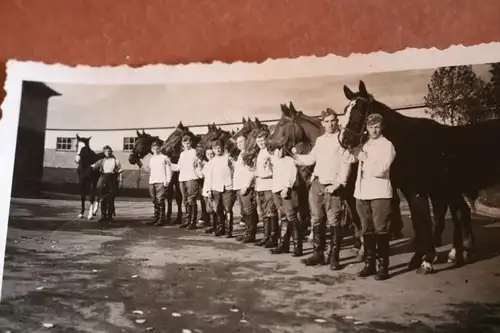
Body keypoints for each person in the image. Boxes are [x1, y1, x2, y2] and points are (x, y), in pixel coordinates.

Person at [292, 108, 352, 270]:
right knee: (317, 219)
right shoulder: (320, 140)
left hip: (333, 186)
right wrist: (296, 158)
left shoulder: (342, 138)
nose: (330, 124)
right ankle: (318, 254)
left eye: (333, 120)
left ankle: (334, 257)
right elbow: (312, 158)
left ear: (337, 121)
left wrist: (338, 184)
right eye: (326, 121)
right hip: (317, 184)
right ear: (322, 123)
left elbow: (346, 164)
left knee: (334, 221)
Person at [349, 113, 396, 281]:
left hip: (380, 194)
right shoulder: (365, 144)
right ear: (366, 128)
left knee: (381, 230)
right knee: (366, 230)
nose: (373, 130)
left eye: (377, 126)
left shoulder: (387, 145)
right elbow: (349, 160)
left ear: (382, 127)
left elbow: (380, 170)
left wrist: (363, 158)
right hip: (362, 194)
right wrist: (352, 152)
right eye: (370, 127)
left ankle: (383, 267)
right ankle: (369, 265)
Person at [269, 143, 303, 257]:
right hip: (276, 190)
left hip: (287, 191)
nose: (278, 152)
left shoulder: (289, 160)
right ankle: (284, 244)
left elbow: (292, 174)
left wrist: (286, 187)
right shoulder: (274, 160)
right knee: (283, 217)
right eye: (275, 150)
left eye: (280, 149)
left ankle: (298, 246)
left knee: (292, 217)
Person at [169, 135, 202, 230]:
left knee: (192, 199)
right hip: (182, 179)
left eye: (188, 143)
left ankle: (193, 222)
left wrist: (199, 165)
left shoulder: (195, 152)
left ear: (191, 143)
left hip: (191, 178)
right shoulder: (182, 154)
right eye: (184, 143)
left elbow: (198, 164)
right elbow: (178, 167)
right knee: (185, 200)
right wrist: (169, 163)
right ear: (182, 144)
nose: (186, 145)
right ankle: (187, 220)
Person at [254, 130, 279, 248]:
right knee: (264, 212)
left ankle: (273, 237)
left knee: (271, 211)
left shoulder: (270, 152)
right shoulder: (259, 152)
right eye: (258, 141)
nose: (260, 143)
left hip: (269, 184)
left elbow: (275, 168)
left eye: (262, 140)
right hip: (260, 185)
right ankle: (266, 236)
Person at [232, 135, 258, 243]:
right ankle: (247, 232)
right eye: (237, 142)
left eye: (241, 141)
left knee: (249, 210)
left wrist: (246, 185)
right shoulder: (240, 154)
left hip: (245, 187)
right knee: (244, 211)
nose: (239, 144)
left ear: (246, 141)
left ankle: (251, 234)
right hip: (239, 186)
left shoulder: (249, 153)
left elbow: (252, 171)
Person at [209, 139, 237, 237]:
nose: (218, 150)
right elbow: (209, 176)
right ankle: (221, 228)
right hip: (216, 187)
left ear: (222, 148)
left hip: (227, 187)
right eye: (216, 148)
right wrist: (209, 189)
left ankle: (229, 229)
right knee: (218, 209)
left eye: (219, 148)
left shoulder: (228, 158)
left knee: (228, 208)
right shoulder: (212, 161)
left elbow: (235, 170)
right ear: (213, 150)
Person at [91, 145, 124, 223]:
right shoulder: (101, 161)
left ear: (111, 152)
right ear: (104, 153)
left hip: (112, 179)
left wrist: (121, 181)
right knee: (102, 199)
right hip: (103, 179)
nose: (108, 153)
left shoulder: (116, 161)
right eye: (106, 152)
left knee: (110, 199)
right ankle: (103, 216)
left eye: (109, 151)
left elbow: (121, 172)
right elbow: (93, 168)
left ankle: (109, 217)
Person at [147, 140, 172, 226]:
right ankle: (156, 217)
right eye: (154, 149)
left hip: (161, 181)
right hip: (152, 181)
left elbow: (168, 170)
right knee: (154, 200)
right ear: (151, 149)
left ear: (160, 149)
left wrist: (168, 181)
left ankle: (161, 219)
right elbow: (151, 170)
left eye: (157, 148)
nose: (156, 150)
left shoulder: (165, 157)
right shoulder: (151, 159)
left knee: (160, 200)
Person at [201, 148, 218, 234]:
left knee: (215, 208)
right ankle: (212, 226)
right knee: (209, 209)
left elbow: (212, 178)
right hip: (206, 189)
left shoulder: (215, 163)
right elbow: (202, 176)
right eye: (208, 154)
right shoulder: (206, 165)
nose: (210, 156)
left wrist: (210, 190)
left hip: (212, 189)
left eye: (211, 154)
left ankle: (217, 226)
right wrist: (196, 167)